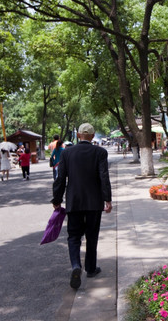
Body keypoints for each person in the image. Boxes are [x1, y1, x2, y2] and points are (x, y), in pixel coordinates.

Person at [52, 122, 112, 290]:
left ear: (78, 136)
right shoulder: (100, 152)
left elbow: (60, 178)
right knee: (92, 236)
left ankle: (76, 265)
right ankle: (91, 268)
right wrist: (107, 199)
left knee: (73, 236)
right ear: (92, 137)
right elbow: (103, 177)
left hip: (74, 202)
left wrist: (56, 199)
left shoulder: (67, 153)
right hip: (94, 202)